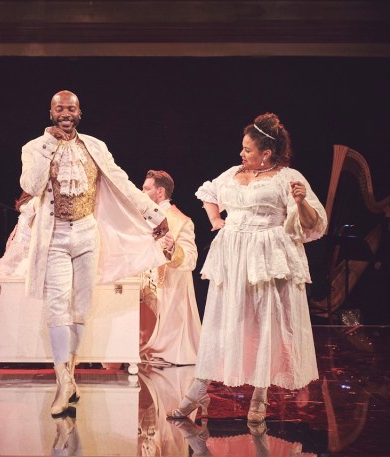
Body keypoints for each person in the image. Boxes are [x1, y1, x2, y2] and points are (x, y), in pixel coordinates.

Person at [168, 113, 327, 423]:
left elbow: (312, 224)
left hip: (268, 254)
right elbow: (209, 193)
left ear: (266, 153)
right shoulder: (233, 173)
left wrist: (301, 202)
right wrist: (216, 220)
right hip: (233, 254)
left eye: (247, 149)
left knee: (264, 321)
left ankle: (260, 394)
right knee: (222, 320)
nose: (241, 153)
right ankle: (199, 388)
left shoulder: (287, 177)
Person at [20, 90, 169, 416]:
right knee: (57, 307)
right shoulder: (34, 147)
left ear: (79, 113)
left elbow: (123, 183)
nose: (65, 113)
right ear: (51, 113)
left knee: (80, 309)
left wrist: (154, 213)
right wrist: (49, 145)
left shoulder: (95, 146)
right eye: (59, 109)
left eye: (71, 109)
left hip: (87, 234)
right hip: (54, 236)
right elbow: (31, 186)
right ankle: (63, 382)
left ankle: (68, 377)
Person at [139, 170, 201, 366]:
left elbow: (191, 259)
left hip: (169, 290)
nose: (142, 193)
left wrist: (173, 248)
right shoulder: (141, 217)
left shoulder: (181, 221)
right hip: (142, 287)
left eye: (146, 189)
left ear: (160, 192)